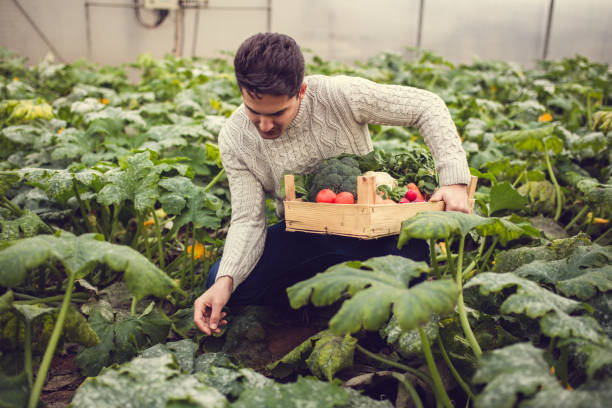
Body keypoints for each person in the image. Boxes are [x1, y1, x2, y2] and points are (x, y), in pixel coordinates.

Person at [193, 32, 471, 335]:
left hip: (373, 232)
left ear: (301, 90)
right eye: (254, 112)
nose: (265, 126)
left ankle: (338, 297)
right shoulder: (235, 137)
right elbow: (248, 219)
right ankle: (330, 294)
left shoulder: (339, 95)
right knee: (223, 283)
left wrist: (455, 181)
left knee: (409, 274)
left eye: (277, 113)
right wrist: (225, 282)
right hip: (302, 235)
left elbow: (426, 105)